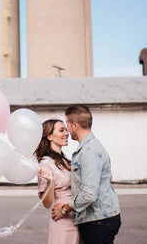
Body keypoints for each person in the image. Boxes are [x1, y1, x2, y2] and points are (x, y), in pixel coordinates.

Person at [52, 105, 121, 244]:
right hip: (100, 219)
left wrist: (64, 209)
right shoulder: (92, 147)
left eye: (67, 125)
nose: (67, 130)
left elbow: (89, 194)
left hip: (98, 220)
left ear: (75, 125)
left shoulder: (88, 151)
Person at [34, 119, 80, 244]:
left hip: (76, 216)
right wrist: (50, 181)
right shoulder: (46, 164)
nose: (66, 133)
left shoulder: (65, 159)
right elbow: (47, 203)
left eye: (66, 129)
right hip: (62, 220)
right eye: (61, 130)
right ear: (49, 136)